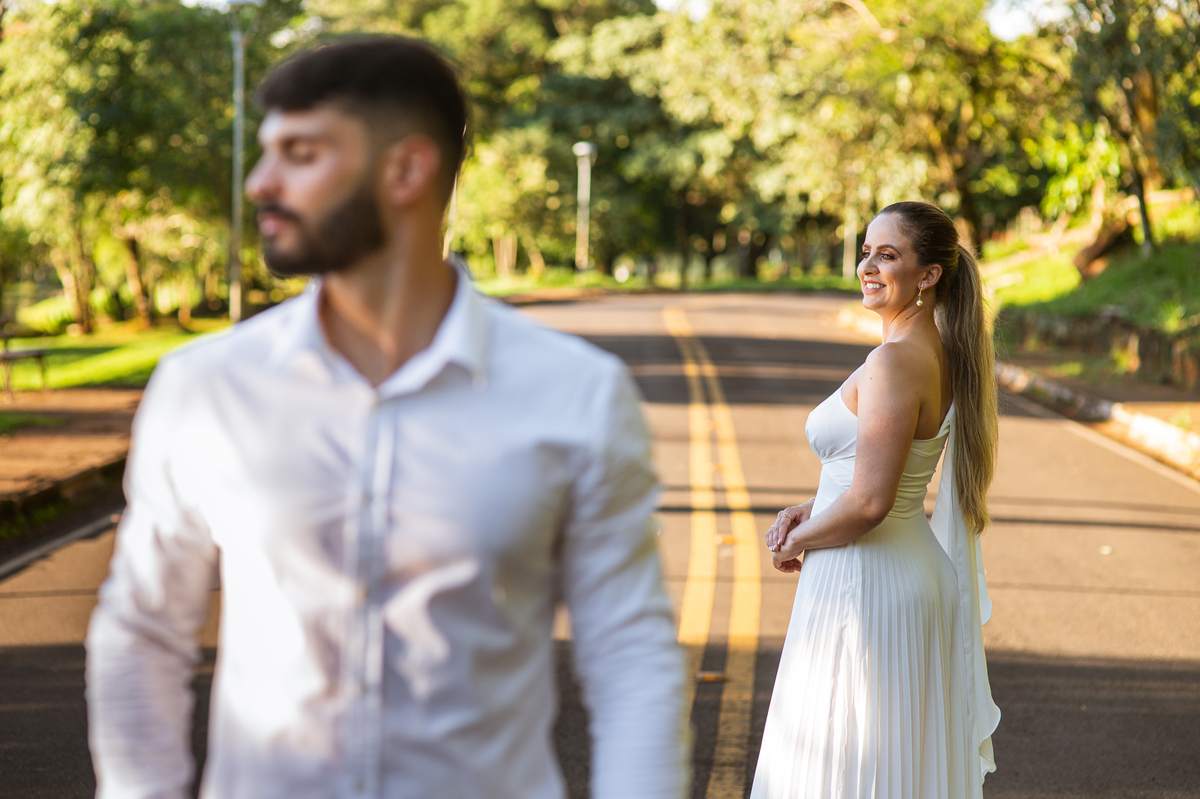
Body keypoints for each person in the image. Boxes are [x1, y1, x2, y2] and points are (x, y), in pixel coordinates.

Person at [86, 36, 687, 799]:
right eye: (266, 151)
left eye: (300, 154)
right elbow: (141, 631)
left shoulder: (578, 394)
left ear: (406, 169)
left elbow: (630, 654)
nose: (260, 182)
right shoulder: (206, 386)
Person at [750, 201, 1001, 798]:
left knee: (848, 763)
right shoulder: (937, 352)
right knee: (885, 765)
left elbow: (868, 504)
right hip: (898, 570)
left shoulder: (893, 362)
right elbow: (878, 479)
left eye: (887, 255)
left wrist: (793, 541)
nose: (867, 265)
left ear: (929, 274)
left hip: (868, 581)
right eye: (866, 251)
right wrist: (813, 510)